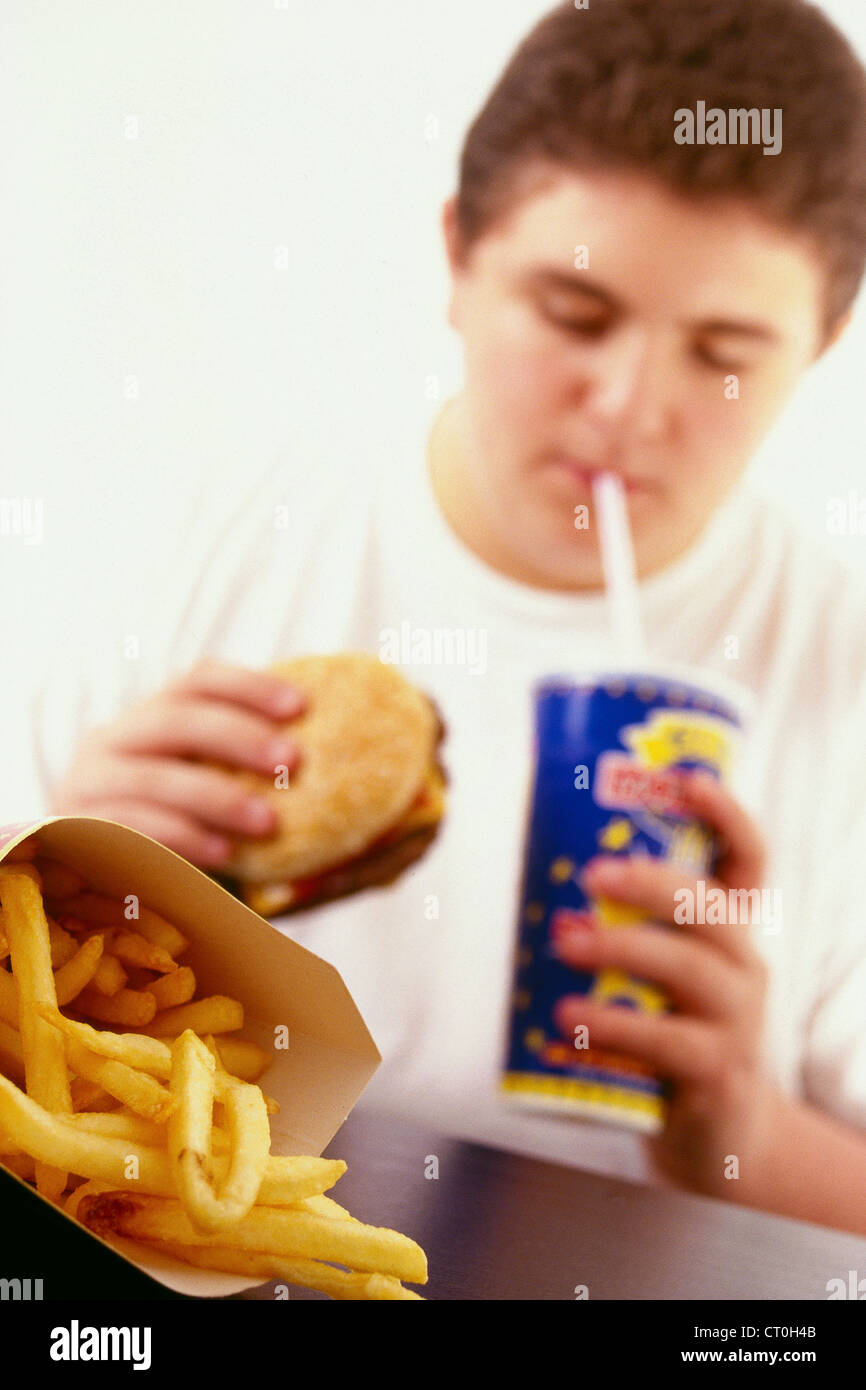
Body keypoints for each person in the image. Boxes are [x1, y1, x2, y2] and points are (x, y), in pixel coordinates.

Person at [33, 0, 866, 1233]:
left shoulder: (835, 666)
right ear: (455, 260)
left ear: (824, 342)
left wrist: (745, 1139)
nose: (629, 403)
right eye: (573, 316)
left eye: (724, 349)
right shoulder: (199, 534)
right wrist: (55, 893)